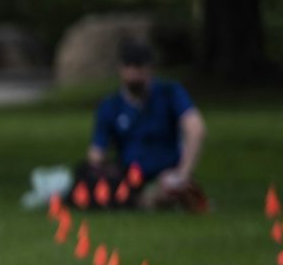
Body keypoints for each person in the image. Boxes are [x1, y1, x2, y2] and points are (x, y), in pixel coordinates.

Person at [80, 40, 206, 211]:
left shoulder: (169, 93)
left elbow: (195, 127)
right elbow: (96, 153)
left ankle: (169, 192)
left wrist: (182, 174)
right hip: (131, 176)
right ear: (121, 68)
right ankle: (145, 200)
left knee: (170, 187)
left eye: (139, 66)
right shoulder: (110, 106)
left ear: (150, 69)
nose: (134, 72)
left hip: (167, 170)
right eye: (129, 66)